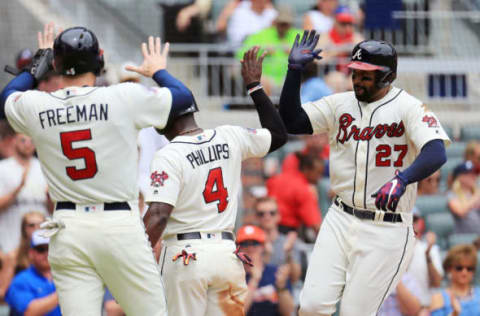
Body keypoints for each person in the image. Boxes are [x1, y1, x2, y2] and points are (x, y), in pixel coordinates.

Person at [0, 22, 195, 315]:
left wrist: (37, 64)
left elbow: (7, 96)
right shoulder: (123, 96)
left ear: (55, 64)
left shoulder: (37, 104)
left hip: (68, 226)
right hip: (118, 225)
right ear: (100, 61)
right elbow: (184, 97)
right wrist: (157, 70)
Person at [278, 31, 450, 315]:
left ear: (387, 76)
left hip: (387, 227)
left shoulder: (410, 107)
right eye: (355, 72)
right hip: (340, 217)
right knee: (310, 307)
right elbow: (292, 120)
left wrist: (403, 178)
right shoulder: (340, 104)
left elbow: (436, 151)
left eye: (366, 75)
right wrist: (294, 71)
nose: (357, 79)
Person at [142, 46, 286, 315]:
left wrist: (132, 260)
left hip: (185, 256)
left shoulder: (168, 154)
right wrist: (254, 87)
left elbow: (159, 215)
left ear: (163, 122)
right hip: (225, 254)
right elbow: (278, 134)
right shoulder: (229, 135)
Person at [236, 5, 301, 94]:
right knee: (261, 82)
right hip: (266, 78)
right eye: (281, 23)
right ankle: (266, 107)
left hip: (290, 78)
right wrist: (263, 50)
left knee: (300, 81)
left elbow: (310, 54)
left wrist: (295, 53)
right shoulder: (261, 34)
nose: (283, 26)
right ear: (275, 22)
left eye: (286, 24)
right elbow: (242, 53)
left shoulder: (299, 35)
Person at [0, 133, 48, 253]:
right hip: (11, 244)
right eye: (23, 140)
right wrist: (18, 188)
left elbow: (53, 209)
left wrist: (49, 196)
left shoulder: (44, 168)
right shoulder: (3, 168)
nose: (27, 145)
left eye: (31, 141)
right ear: (14, 140)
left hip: (42, 245)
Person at [236, 225, 295, 316]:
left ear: (263, 247)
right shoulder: (234, 276)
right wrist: (254, 280)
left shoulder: (275, 272)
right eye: (245, 243)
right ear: (238, 248)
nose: (250, 248)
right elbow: (237, 313)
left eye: (255, 243)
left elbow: (288, 312)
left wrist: (281, 287)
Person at [5, 230, 60, 316]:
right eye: (41, 249)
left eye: (50, 248)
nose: (46, 253)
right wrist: (63, 292)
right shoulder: (20, 280)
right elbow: (29, 311)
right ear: (31, 253)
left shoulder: (63, 276)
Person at [267, 153, 324, 234]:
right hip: (287, 233)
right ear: (306, 169)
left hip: (267, 229)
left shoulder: (276, 178)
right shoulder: (303, 189)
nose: (320, 177)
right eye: (318, 172)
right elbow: (315, 225)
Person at [254, 196, 302, 283]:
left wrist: (288, 252)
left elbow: (295, 279)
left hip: (285, 292)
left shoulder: (289, 241)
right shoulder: (250, 243)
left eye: (272, 213)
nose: (267, 217)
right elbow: (254, 278)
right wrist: (266, 255)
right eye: (261, 214)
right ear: (256, 217)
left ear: (278, 216)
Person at [430, 244, 480, 316]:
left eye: (469, 268)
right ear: (449, 268)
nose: (464, 272)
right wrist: (453, 314)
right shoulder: (438, 298)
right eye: (459, 268)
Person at [408, 209, 444, 309]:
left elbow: (436, 283)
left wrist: (427, 255)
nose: (410, 223)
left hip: (425, 307)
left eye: (413, 220)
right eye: (406, 219)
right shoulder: (390, 248)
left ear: (420, 223)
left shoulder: (431, 249)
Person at [447, 161, 480, 234]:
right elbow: (460, 211)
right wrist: (475, 197)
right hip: (465, 238)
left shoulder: (476, 193)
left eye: (475, 174)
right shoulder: (452, 195)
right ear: (459, 177)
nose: (474, 177)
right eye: (469, 174)